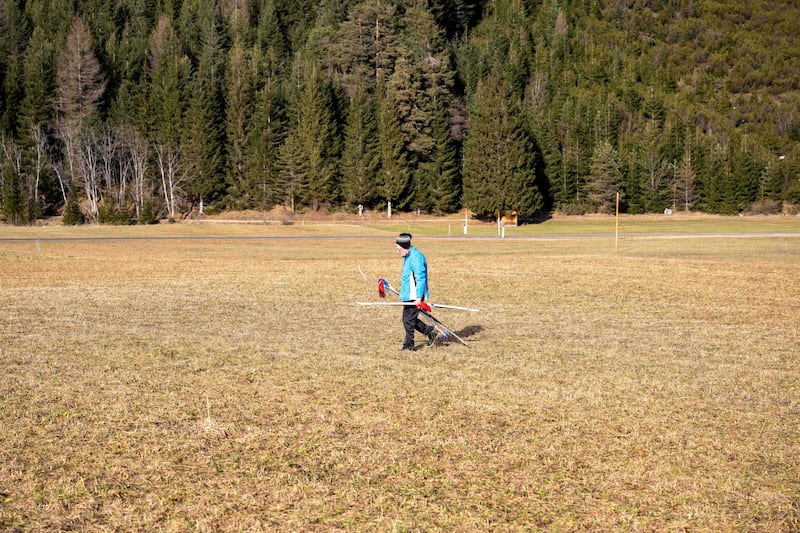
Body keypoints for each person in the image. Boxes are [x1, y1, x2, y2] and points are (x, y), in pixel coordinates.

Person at [395, 233, 438, 351]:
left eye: (398, 249)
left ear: (404, 247)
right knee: (409, 319)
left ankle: (409, 346)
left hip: (415, 296)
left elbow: (420, 278)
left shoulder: (416, 257)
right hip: (409, 294)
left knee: (408, 320)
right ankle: (430, 331)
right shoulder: (408, 256)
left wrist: (418, 297)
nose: (397, 251)